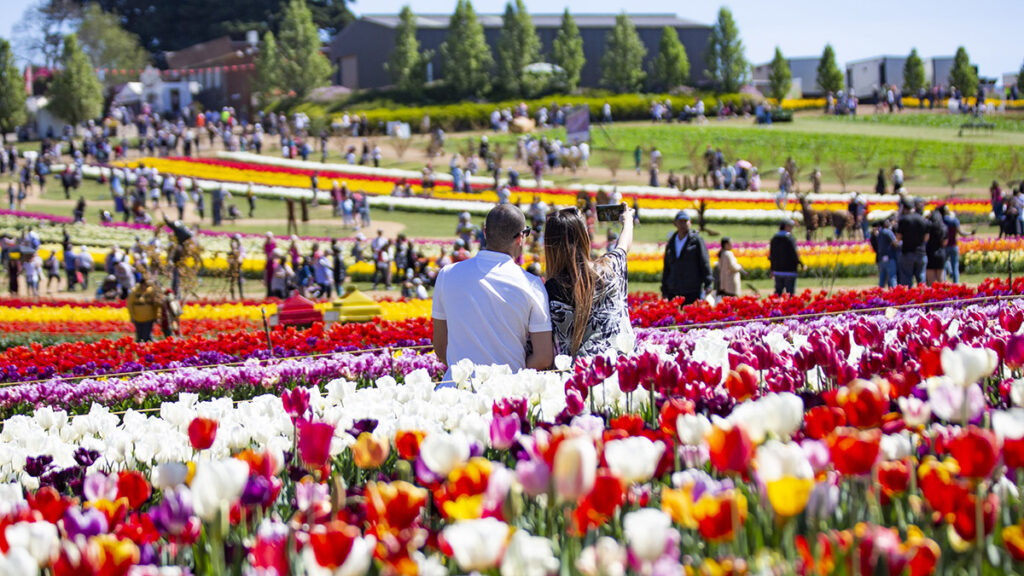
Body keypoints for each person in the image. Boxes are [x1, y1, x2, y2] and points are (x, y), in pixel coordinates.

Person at [432, 204, 553, 382]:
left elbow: (441, 347)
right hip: (507, 395)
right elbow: (543, 358)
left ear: (485, 233)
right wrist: (509, 375)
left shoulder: (447, 274)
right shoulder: (531, 284)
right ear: (520, 238)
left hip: (458, 391)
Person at [543, 203, 635, 358]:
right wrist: (628, 220)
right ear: (584, 237)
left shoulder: (550, 289)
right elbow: (623, 246)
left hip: (580, 375)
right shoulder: (610, 269)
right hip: (621, 367)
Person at [661, 211, 712, 305]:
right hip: (674, 289)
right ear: (675, 223)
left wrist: (708, 283)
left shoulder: (696, 241)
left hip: (692, 289)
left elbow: (704, 261)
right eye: (680, 221)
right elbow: (667, 267)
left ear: (690, 223)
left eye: (685, 221)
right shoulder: (671, 242)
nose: (683, 224)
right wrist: (664, 288)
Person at [896, 198, 929, 286]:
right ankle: (923, 297)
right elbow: (926, 237)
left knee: (907, 278)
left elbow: (898, 237)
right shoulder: (922, 219)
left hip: (907, 252)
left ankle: (908, 298)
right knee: (921, 277)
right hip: (921, 252)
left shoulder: (903, 220)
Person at [769, 220, 802, 296]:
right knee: (790, 293)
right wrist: (801, 264)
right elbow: (794, 254)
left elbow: (771, 256)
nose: (792, 229)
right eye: (791, 227)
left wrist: (772, 268)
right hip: (790, 271)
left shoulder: (774, 239)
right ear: (786, 227)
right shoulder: (790, 239)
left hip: (777, 270)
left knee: (778, 293)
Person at [942, 206, 973, 284]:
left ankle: (944, 282)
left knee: (944, 267)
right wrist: (970, 233)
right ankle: (956, 283)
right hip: (953, 246)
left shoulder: (942, 221)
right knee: (955, 266)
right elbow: (961, 233)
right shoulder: (954, 221)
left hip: (945, 247)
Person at [126, 275, 160, 342]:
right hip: (137, 317)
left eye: (146, 286)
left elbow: (156, 304)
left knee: (146, 336)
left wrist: (157, 316)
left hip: (149, 318)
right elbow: (130, 304)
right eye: (144, 285)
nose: (145, 287)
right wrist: (132, 316)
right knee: (139, 336)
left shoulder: (151, 291)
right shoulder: (134, 291)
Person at [874, 217, 899, 288]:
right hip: (890, 257)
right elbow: (895, 243)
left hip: (881, 258)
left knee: (882, 279)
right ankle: (894, 294)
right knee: (892, 278)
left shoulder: (880, 233)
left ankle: (879, 294)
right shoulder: (888, 232)